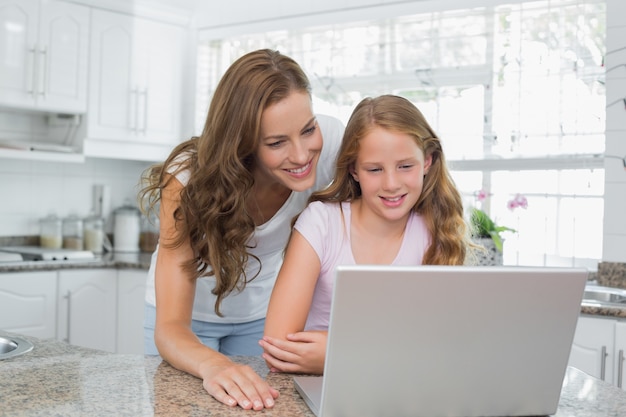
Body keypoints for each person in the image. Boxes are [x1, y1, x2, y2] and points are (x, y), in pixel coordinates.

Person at [138, 49, 344, 410]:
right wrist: (214, 366)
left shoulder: (328, 146)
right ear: (242, 145)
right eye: (277, 142)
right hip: (187, 326)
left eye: (307, 129)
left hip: (260, 321)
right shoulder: (188, 179)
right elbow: (170, 327)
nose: (301, 155)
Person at [260, 94, 471, 375]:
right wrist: (398, 351)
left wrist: (339, 353)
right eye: (374, 169)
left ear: (428, 162)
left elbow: (443, 347)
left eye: (406, 166)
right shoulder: (322, 222)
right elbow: (278, 347)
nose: (392, 184)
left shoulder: (436, 231)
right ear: (354, 170)